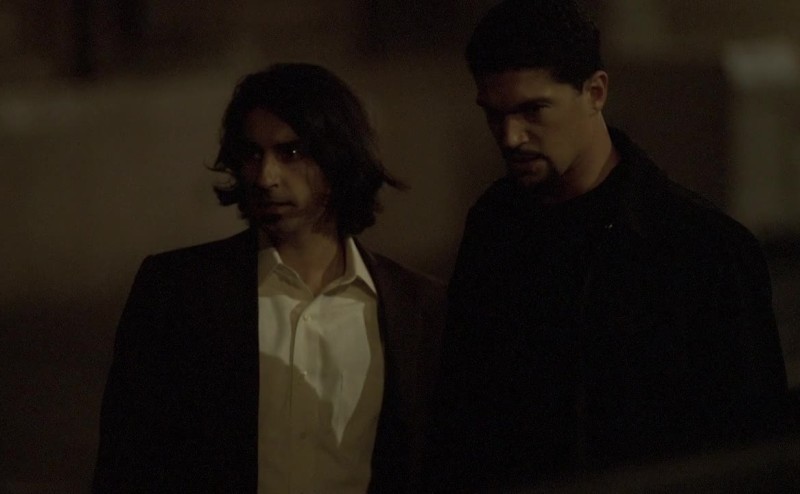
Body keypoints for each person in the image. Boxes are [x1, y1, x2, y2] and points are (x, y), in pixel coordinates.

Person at [427, 0, 789, 491]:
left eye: (533, 110)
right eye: (494, 114)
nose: (510, 137)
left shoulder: (702, 248)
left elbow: (751, 449)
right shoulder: (495, 228)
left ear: (595, 92)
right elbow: (461, 414)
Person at [93, 63, 444, 493]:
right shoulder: (176, 291)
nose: (265, 177)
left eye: (290, 153)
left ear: (339, 156)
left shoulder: (419, 310)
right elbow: (126, 463)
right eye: (252, 155)